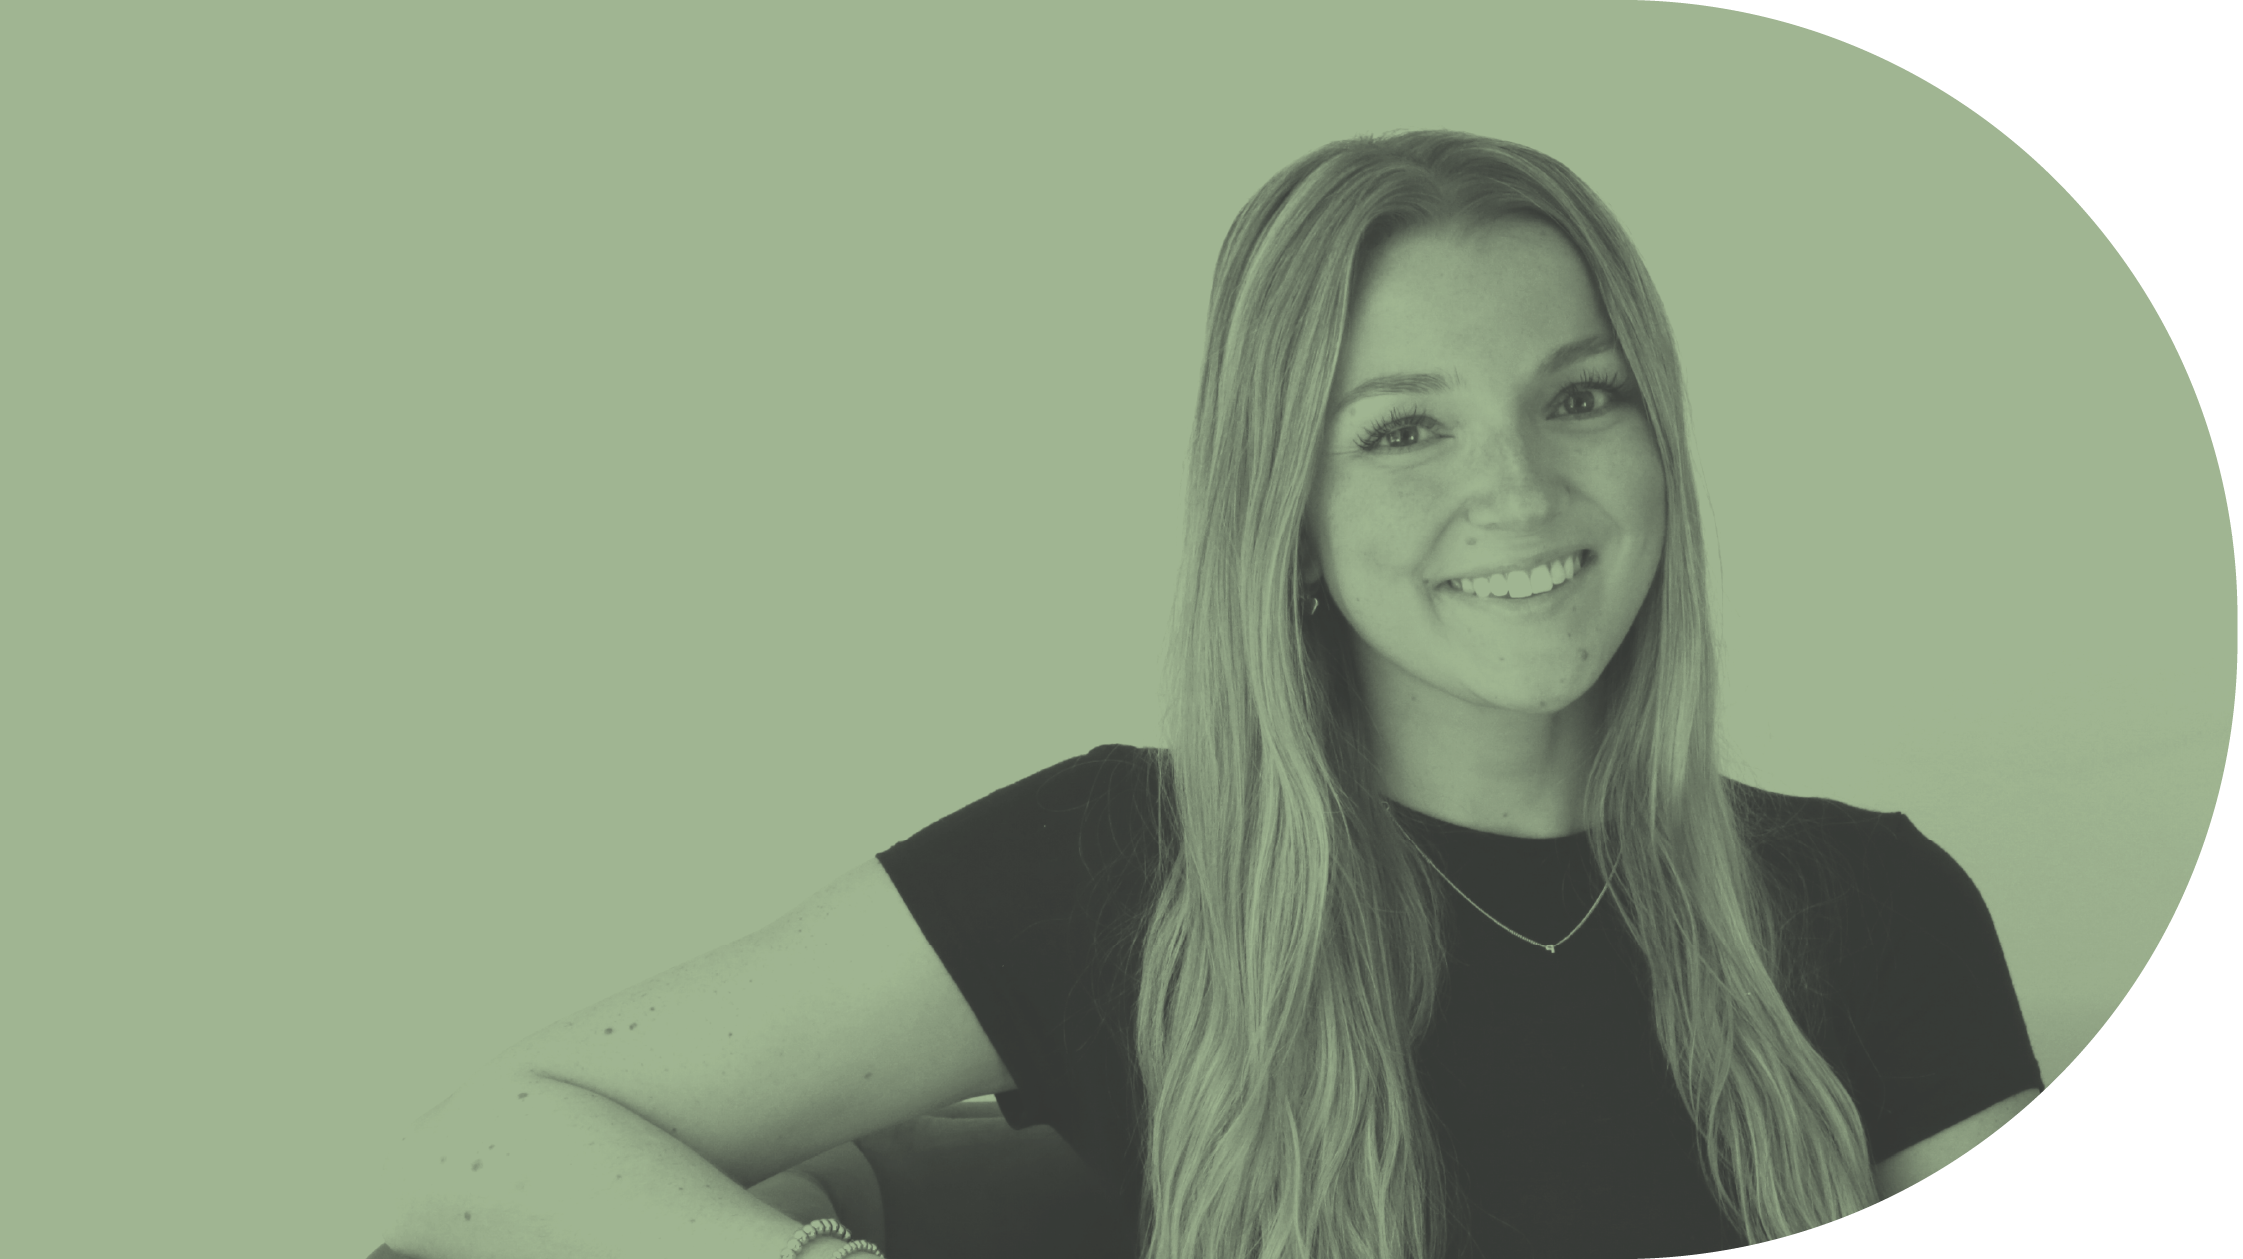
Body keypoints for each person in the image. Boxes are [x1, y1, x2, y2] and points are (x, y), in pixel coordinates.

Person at [373, 131, 2044, 1259]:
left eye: (1579, 397)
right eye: (1404, 428)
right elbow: (479, 1149)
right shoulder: (1116, 857)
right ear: (1287, 514)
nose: (1520, 490)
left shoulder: (1873, 897)